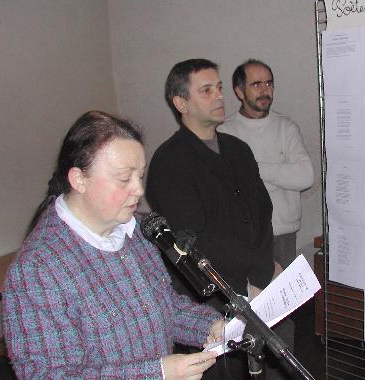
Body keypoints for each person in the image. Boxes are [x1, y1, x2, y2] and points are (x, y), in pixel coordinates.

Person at [2, 110, 224, 379]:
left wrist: (209, 326)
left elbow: (162, 306)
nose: (139, 191)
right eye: (123, 179)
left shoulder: (137, 233)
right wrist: (157, 373)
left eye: (139, 176)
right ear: (79, 179)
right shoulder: (38, 268)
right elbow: (48, 375)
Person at [145, 59, 276, 379]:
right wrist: (250, 275)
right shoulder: (169, 161)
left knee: (269, 364)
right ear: (181, 103)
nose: (219, 96)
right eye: (206, 90)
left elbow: (263, 211)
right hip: (211, 295)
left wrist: (262, 272)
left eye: (219, 88)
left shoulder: (238, 149)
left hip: (256, 284)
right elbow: (196, 237)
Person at [218, 59, 314, 379]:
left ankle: (283, 373)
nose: (265, 90)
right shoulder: (226, 132)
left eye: (269, 83)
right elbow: (225, 185)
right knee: (248, 312)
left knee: (284, 314)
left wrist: (256, 170)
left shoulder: (286, 127)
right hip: (243, 238)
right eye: (257, 84)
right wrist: (275, 172)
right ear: (238, 90)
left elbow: (305, 175)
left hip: (282, 235)